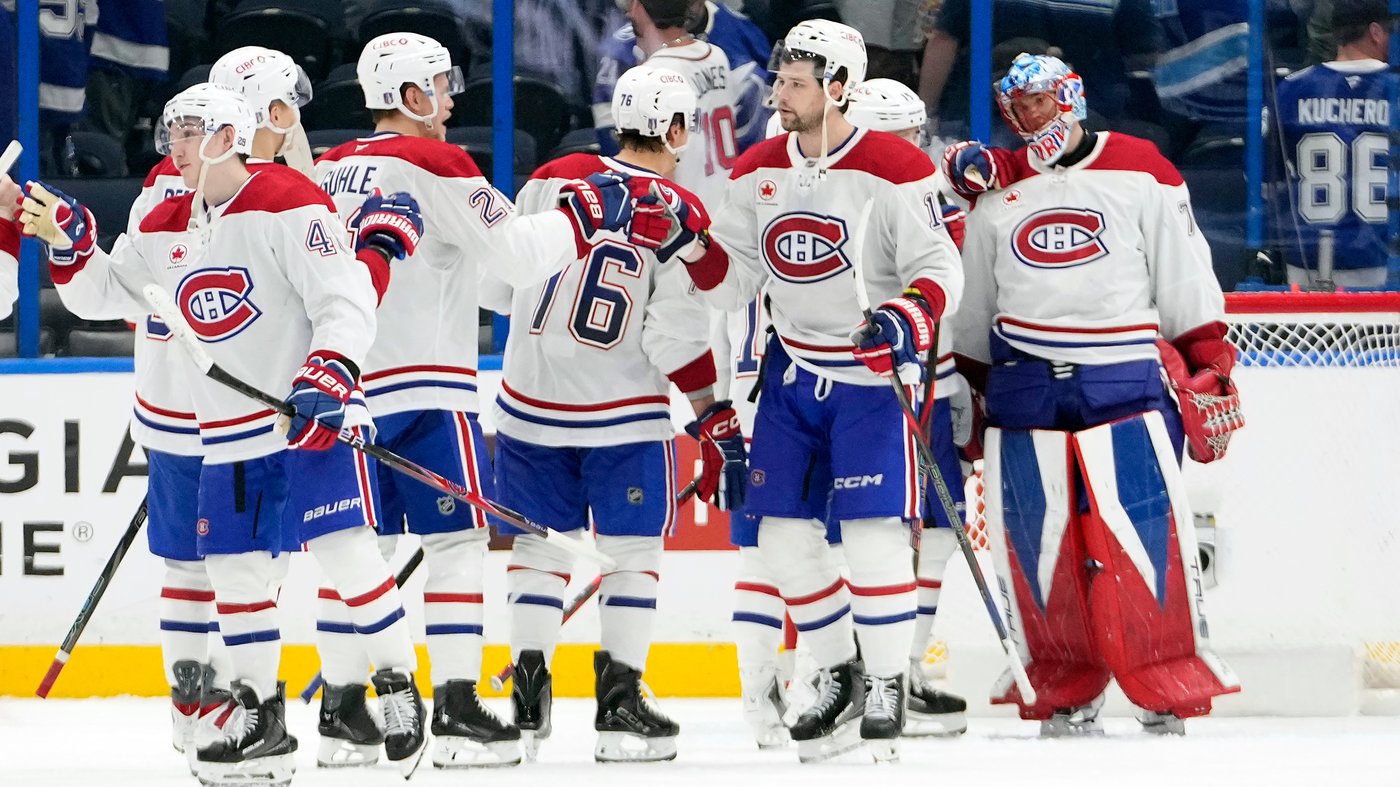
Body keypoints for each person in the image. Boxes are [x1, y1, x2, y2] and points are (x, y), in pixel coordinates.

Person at [23, 83, 433, 784]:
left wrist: (329, 374)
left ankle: (399, 689)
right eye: (171, 132)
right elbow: (105, 295)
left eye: (186, 133)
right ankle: (260, 716)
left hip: (309, 418)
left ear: (226, 135)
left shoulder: (289, 203)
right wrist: (70, 240)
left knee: (348, 555)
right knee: (235, 573)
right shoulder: (163, 222)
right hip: (230, 433)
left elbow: (344, 301)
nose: (172, 147)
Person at [637, 19, 963, 763]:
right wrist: (691, 245)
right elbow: (739, 282)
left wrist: (907, 313)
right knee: (778, 533)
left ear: (839, 87)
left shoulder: (894, 166)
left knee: (877, 533)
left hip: (873, 378)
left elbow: (940, 268)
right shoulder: (757, 167)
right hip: (792, 374)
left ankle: (886, 682)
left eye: (795, 83)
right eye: (779, 79)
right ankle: (843, 668)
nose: (779, 93)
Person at [313, 32, 639, 769]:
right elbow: (519, 257)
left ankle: (341, 711)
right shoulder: (438, 161)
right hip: (428, 389)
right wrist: (585, 213)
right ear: (407, 96)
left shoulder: (330, 170)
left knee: (366, 552)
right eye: (438, 83)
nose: (451, 97)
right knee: (456, 546)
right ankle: (458, 707)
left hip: (351, 390)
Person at [941, 53, 1242, 736]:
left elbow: (1184, 271)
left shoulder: (1141, 166)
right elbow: (974, 305)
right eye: (1017, 108)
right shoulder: (995, 188)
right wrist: (973, 388)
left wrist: (1208, 358)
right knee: (1040, 541)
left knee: (1140, 534)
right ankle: (1062, 677)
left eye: (1039, 102)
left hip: (1125, 379)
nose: (1027, 118)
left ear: (1071, 97)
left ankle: (1162, 676)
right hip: (1025, 390)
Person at [481, 63, 743, 764]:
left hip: (528, 405)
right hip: (620, 415)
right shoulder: (679, 208)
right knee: (632, 556)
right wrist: (711, 415)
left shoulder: (555, 173)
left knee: (536, 549)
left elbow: (503, 277)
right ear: (679, 128)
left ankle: (529, 686)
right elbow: (674, 336)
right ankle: (619, 704)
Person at [121, 47, 322, 763]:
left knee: (194, 563)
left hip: (176, 401)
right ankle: (244, 702)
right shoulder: (268, 188)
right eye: (282, 111)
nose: (291, 125)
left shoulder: (176, 178)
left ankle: (199, 708)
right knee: (245, 563)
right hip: (231, 403)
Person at [844, 76, 969, 737]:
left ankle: (900, 669)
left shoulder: (915, 191)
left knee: (932, 533)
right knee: (882, 537)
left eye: (917, 136)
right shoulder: (874, 194)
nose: (915, 149)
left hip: (927, 383)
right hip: (886, 389)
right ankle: (875, 671)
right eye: (903, 137)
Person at [1276, 0, 1392, 288]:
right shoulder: (1394, 89)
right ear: (1376, 33)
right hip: (1381, 260)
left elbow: (1267, 179)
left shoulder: (1293, 87)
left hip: (1306, 260)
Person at [595, 0, 773, 155]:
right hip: (720, 182)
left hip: (688, 185)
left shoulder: (744, 33)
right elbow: (611, 138)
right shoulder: (717, 55)